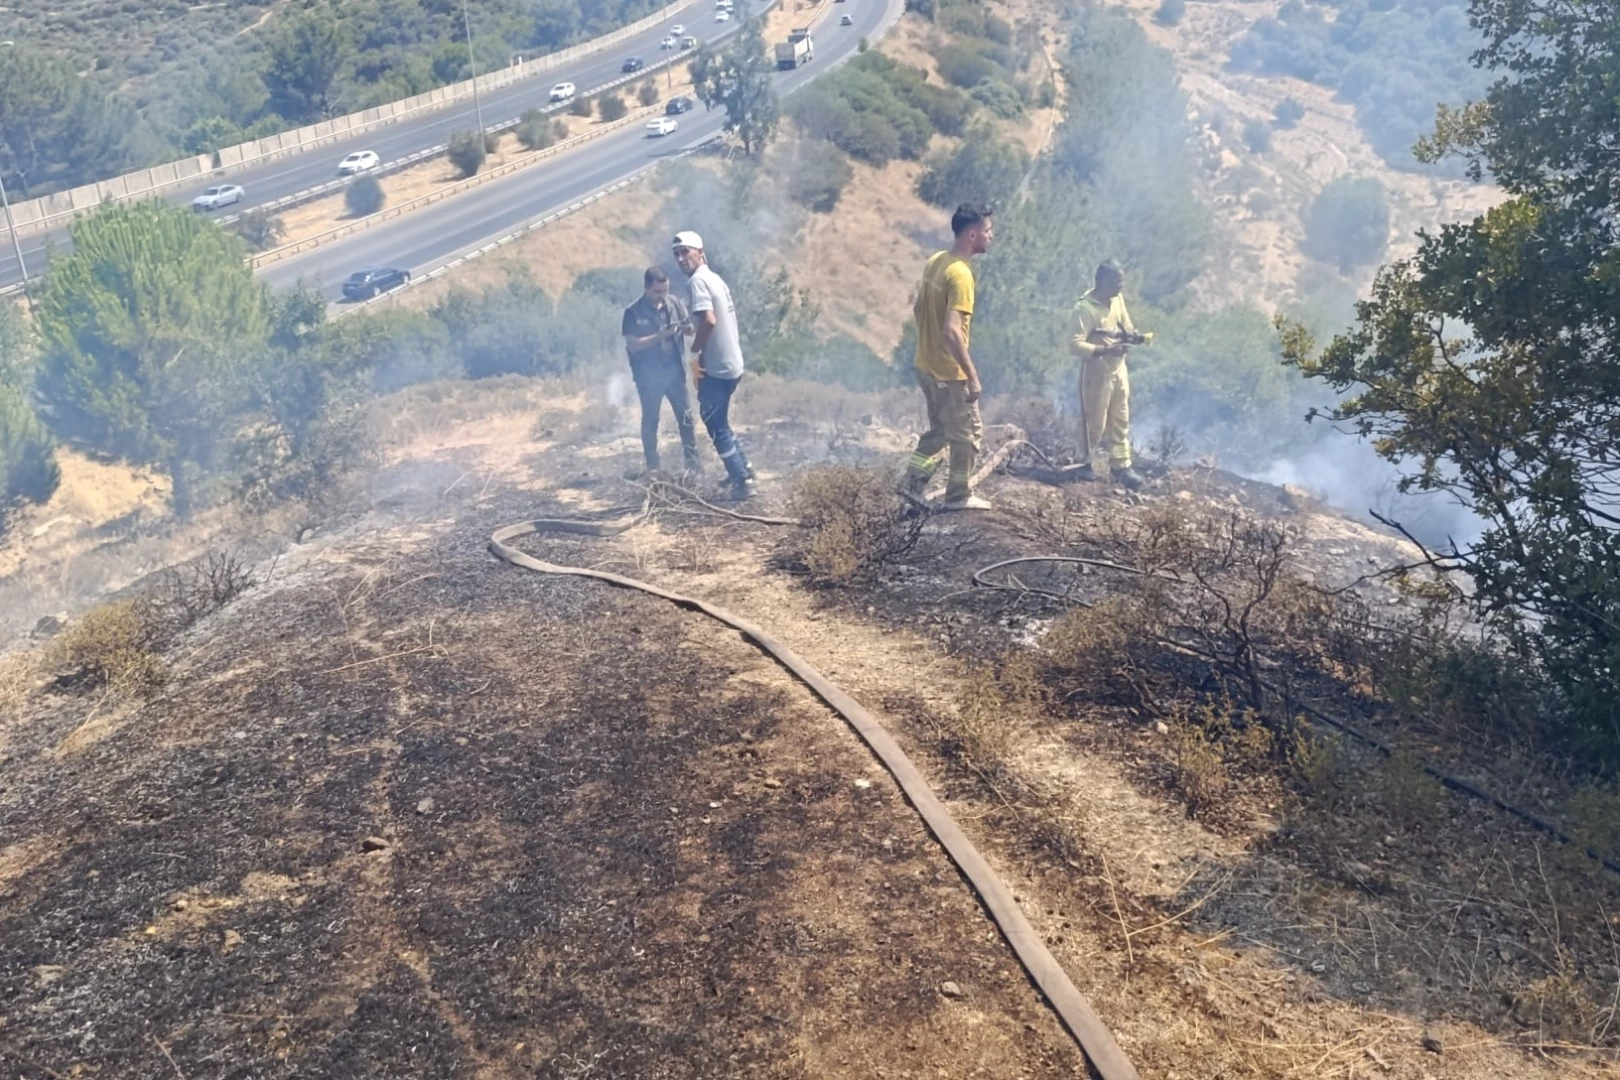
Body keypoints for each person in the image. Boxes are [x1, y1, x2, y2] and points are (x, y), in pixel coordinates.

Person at [901, 203, 994, 511]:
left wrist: (928, 346)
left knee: (940, 432)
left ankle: (911, 486)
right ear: (972, 235)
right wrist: (972, 376)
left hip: (926, 365)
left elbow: (919, 308)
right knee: (967, 435)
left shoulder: (937, 260)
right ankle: (958, 495)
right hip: (949, 374)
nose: (991, 236)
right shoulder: (961, 275)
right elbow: (952, 331)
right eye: (987, 230)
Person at [673, 230, 755, 501]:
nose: (681, 258)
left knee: (714, 424)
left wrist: (695, 352)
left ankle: (742, 481)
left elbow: (709, 321)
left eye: (685, 252)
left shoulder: (697, 282)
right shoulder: (714, 278)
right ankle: (743, 468)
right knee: (720, 420)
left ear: (700, 252)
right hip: (732, 363)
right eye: (677, 254)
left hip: (718, 367)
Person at [1070, 259, 1149, 491]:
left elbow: (1126, 324)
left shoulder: (1117, 300)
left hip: (1118, 369)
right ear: (1103, 282)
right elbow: (1074, 345)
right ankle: (1083, 463)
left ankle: (1121, 466)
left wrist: (1132, 336)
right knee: (1094, 421)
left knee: (1120, 418)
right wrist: (1105, 349)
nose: (1120, 286)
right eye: (1116, 282)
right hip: (1096, 373)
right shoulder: (1085, 309)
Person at [621, 266, 700, 478]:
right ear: (646, 287)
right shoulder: (633, 312)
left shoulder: (674, 303)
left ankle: (693, 465)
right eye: (657, 292)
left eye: (664, 291)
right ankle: (653, 467)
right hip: (648, 377)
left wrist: (687, 328)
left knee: (686, 418)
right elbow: (633, 345)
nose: (661, 296)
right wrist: (660, 336)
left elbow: (690, 329)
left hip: (674, 372)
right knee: (651, 420)